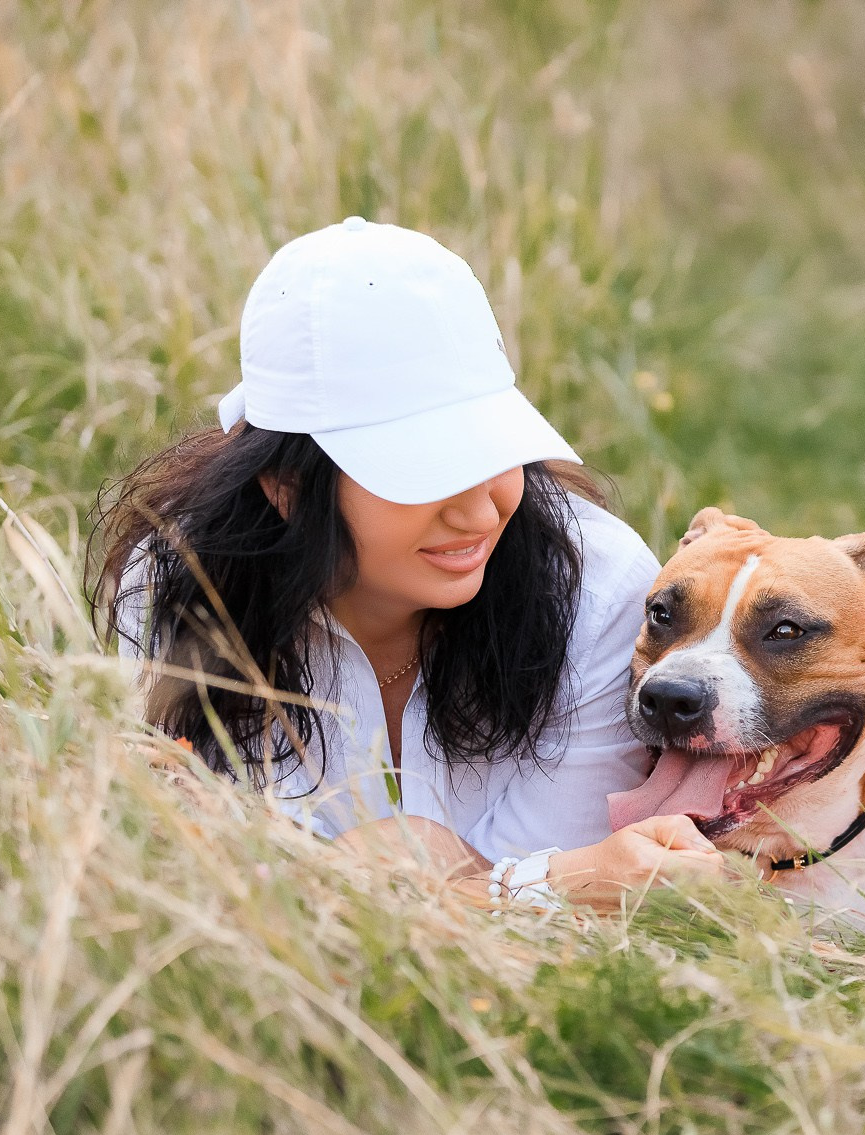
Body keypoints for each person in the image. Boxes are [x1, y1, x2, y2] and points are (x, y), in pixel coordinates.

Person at [94, 217, 725, 910]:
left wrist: (419, 876)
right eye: (426, 472)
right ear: (287, 486)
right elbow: (230, 888)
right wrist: (526, 883)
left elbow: (576, 919)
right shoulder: (182, 587)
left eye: (494, 453)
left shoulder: (595, 590)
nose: (481, 513)